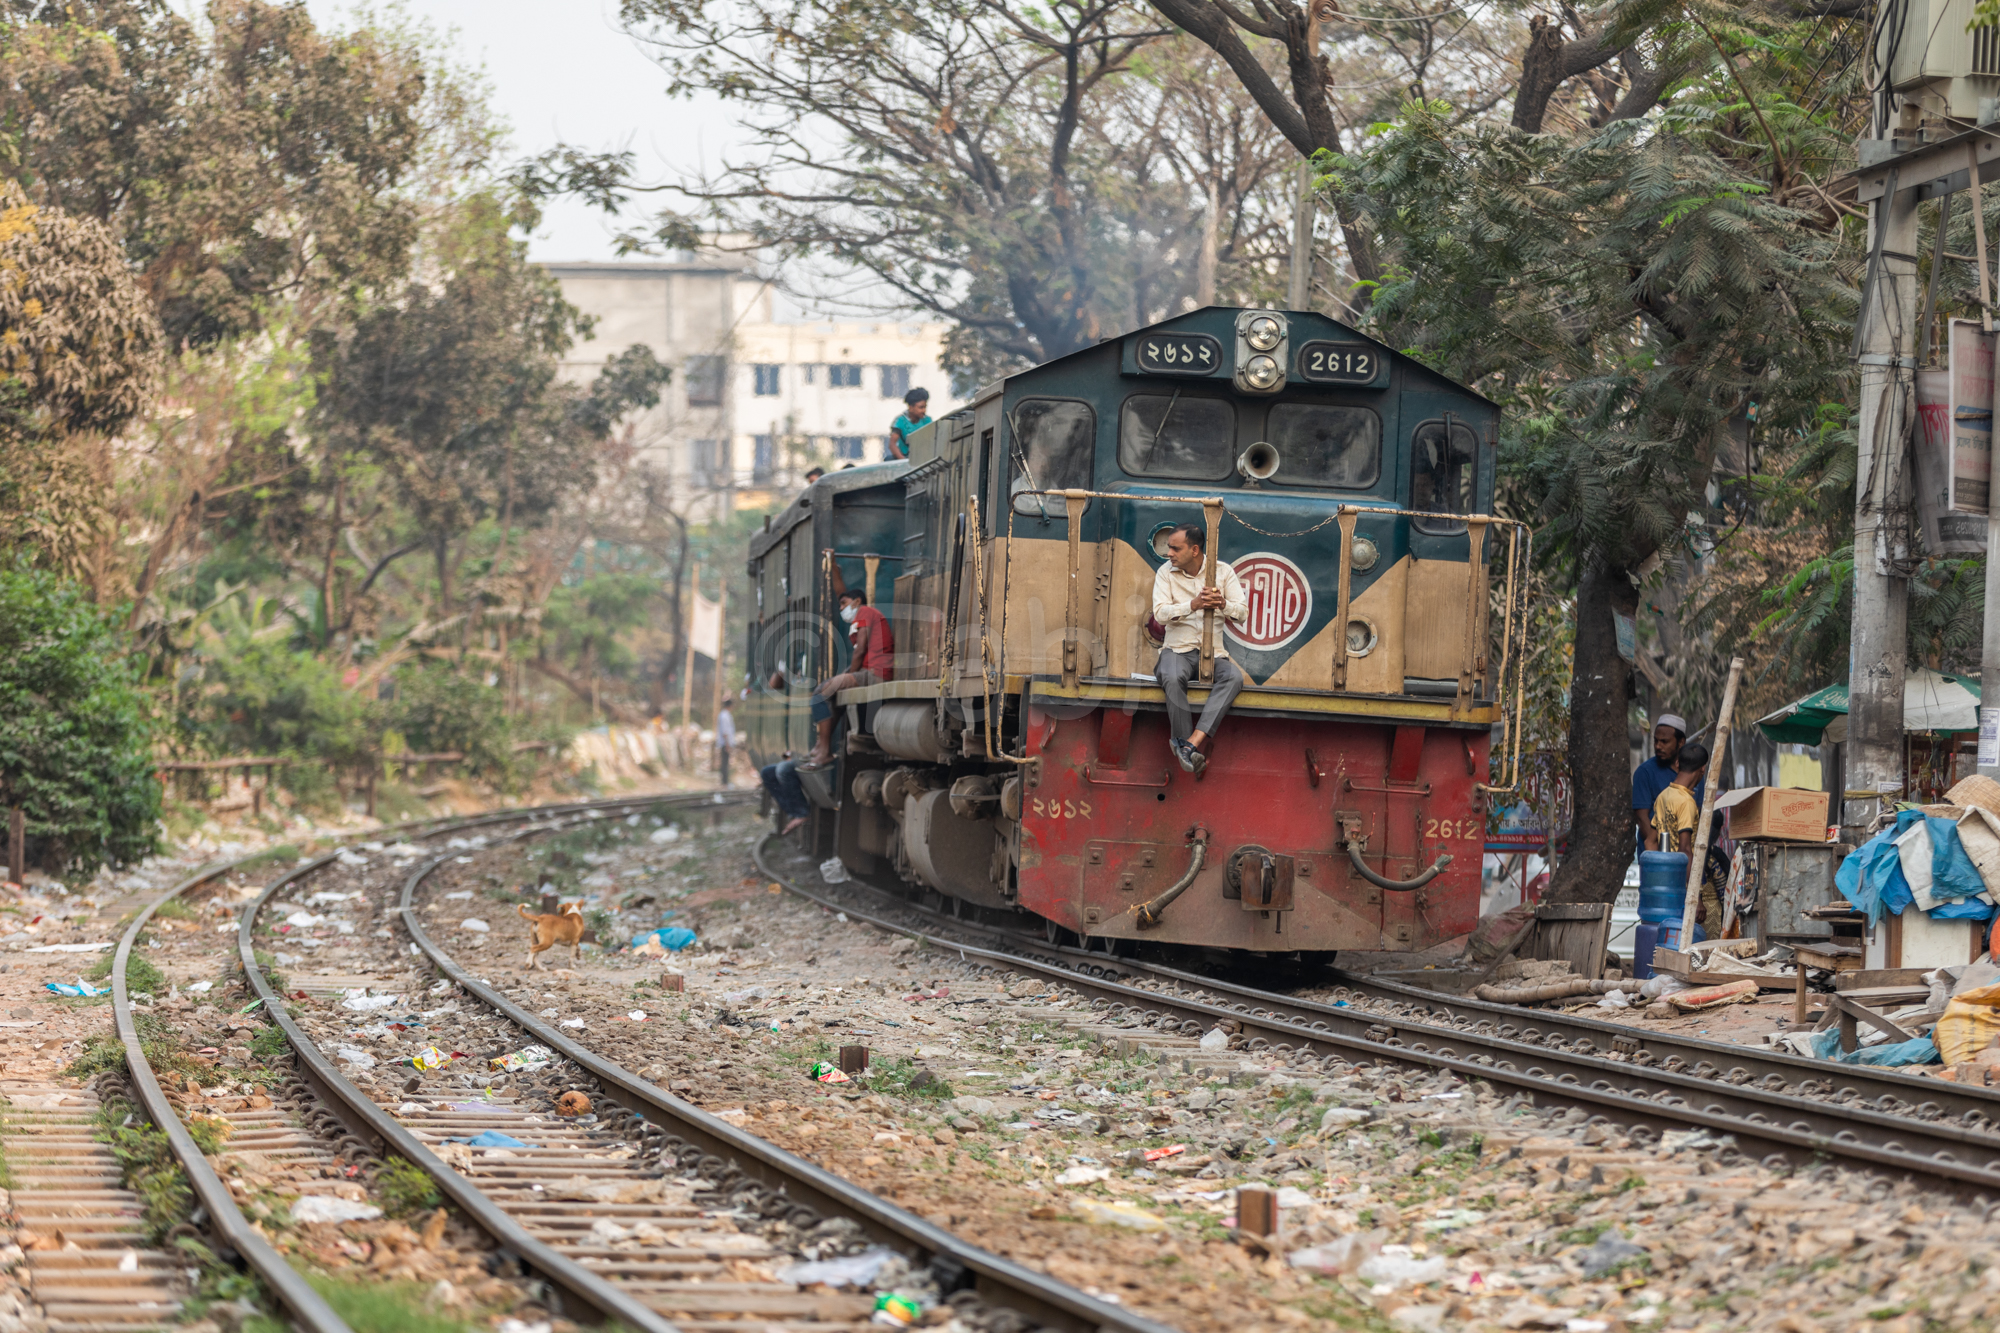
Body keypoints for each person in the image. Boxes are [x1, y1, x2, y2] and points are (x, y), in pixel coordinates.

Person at [1151, 523, 1247, 775]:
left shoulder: (1223, 572)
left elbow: (1242, 614)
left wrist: (1223, 604)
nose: (1169, 553)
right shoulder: (1165, 573)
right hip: (1177, 650)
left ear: (1194, 550)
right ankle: (1184, 743)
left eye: (1175, 548)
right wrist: (1191, 605)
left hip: (1213, 654)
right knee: (1171, 676)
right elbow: (1160, 614)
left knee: (1234, 677)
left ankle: (1189, 744)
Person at [804, 570, 895, 767]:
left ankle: (824, 750)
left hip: (875, 673)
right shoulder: (863, 617)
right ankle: (822, 746)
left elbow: (860, 650)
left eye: (844, 603)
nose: (841, 608)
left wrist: (851, 674)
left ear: (857, 602)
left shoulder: (865, 612)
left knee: (820, 693)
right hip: (871, 671)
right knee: (832, 695)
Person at [1646, 742, 1726, 933]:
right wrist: (1695, 898)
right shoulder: (1686, 803)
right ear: (1703, 769)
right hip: (1688, 885)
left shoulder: (1663, 796)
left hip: (1670, 883)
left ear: (1677, 764)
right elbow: (1685, 849)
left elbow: (1651, 840)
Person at [1632, 713, 1703, 855]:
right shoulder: (1645, 773)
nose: (1658, 746)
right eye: (1656, 741)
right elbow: (1642, 818)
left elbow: (1699, 817)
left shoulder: (1696, 775)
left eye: (1665, 742)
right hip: (1656, 861)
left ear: (1681, 742)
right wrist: (1664, 855)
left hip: (1688, 859)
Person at [760, 758, 810, 835]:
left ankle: (801, 814)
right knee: (766, 772)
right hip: (797, 759)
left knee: (782, 770)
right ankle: (793, 813)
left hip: (811, 761)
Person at [888, 388, 932, 459]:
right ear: (911, 407)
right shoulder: (900, 421)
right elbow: (892, 444)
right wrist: (904, 461)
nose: (924, 410)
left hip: (923, 459)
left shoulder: (927, 420)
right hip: (905, 458)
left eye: (925, 407)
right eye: (921, 407)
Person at [715, 699, 736, 787]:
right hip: (725, 743)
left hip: (726, 742)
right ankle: (725, 781)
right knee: (725, 762)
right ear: (729, 706)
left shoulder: (725, 715)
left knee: (725, 762)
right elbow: (725, 731)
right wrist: (727, 744)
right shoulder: (724, 716)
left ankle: (725, 781)